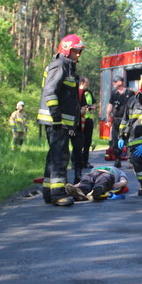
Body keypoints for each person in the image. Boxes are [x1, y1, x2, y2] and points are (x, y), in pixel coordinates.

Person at [37, 34, 84, 207]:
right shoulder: (61, 65)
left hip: (57, 121)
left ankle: (49, 193)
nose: (78, 55)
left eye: (79, 52)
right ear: (66, 50)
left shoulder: (67, 66)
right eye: (75, 51)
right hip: (56, 121)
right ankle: (57, 194)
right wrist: (57, 118)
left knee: (54, 156)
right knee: (60, 157)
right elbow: (50, 92)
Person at [106, 75, 135, 167]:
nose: (114, 83)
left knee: (129, 140)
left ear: (121, 82)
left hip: (127, 120)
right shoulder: (114, 93)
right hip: (116, 120)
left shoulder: (130, 92)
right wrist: (108, 117)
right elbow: (110, 105)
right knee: (115, 140)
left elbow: (135, 105)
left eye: (115, 81)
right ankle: (117, 160)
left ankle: (130, 161)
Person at [64, 164, 129, 202]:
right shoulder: (95, 169)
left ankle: (96, 191)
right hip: (93, 173)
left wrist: (116, 185)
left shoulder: (119, 171)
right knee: (86, 181)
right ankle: (80, 191)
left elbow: (124, 181)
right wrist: (74, 186)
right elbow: (83, 181)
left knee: (103, 180)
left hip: (108, 174)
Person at [78, 77, 96, 168]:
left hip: (88, 119)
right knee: (79, 141)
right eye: (86, 83)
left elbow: (94, 104)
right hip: (80, 120)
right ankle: (76, 162)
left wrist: (91, 107)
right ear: (82, 83)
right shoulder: (77, 92)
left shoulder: (89, 93)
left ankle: (85, 162)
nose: (88, 84)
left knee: (87, 142)